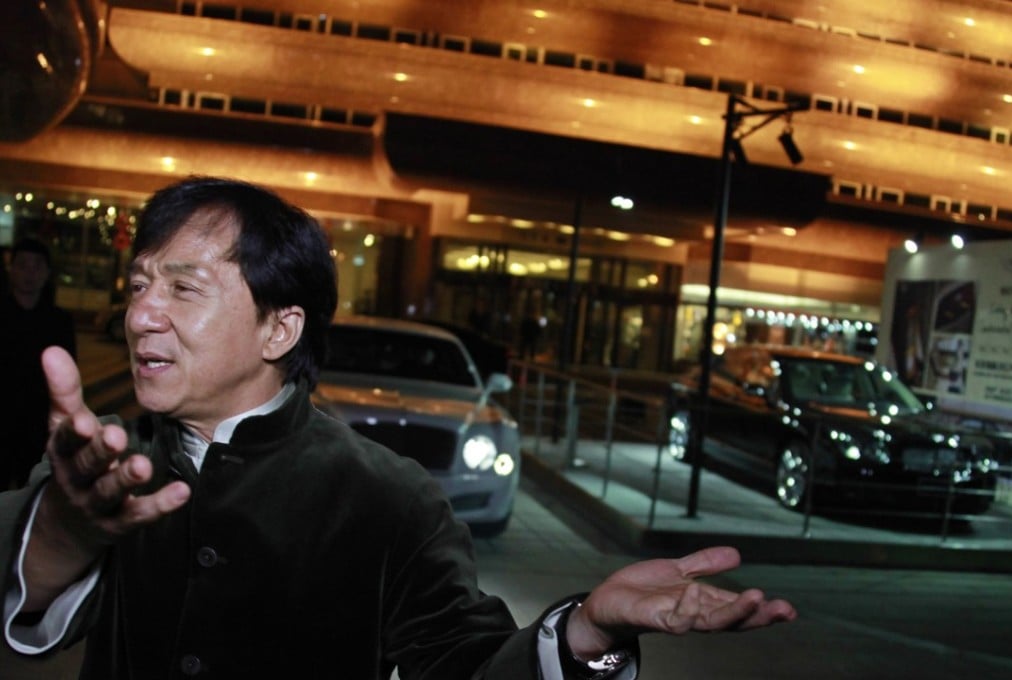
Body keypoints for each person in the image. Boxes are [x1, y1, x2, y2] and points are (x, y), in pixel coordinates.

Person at [0, 176, 795, 678]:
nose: (140, 314)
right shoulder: (107, 470)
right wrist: (67, 528)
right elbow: (30, 608)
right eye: (139, 284)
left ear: (280, 330)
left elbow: (471, 665)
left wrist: (587, 629)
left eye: (182, 287)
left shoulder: (389, 500)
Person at [0, 236, 76, 490]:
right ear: (11, 269)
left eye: (37, 266)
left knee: (32, 493)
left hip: (39, 424)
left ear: (47, 273)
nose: (29, 273)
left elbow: (70, 373)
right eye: (22, 265)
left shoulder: (59, 321)